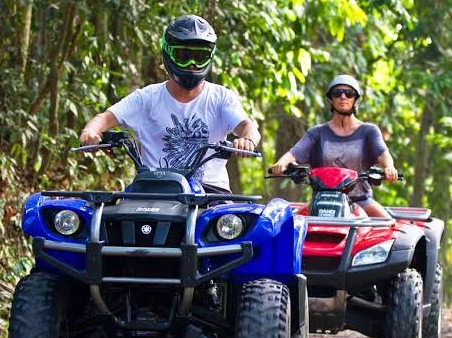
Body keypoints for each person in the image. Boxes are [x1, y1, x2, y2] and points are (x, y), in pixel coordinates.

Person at [80, 14, 260, 194]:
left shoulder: (221, 97)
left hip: (211, 194)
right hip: (154, 190)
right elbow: (105, 118)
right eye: (184, 56)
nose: (192, 64)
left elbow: (247, 126)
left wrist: (247, 140)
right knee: (113, 217)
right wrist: (90, 132)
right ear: (168, 53)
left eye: (200, 57)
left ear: (210, 57)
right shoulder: (147, 98)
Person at [271, 74, 398, 218]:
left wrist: (389, 167)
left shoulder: (369, 130)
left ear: (355, 99)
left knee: (392, 230)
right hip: (322, 200)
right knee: (288, 226)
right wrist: (280, 164)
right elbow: (294, 152)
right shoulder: (317, 133)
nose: (343, 97)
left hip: (361, 201)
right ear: (330, 99)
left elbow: (383, 153)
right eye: (337, 93)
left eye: (349, 93)